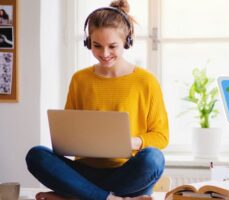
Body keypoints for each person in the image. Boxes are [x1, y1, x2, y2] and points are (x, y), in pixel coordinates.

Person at [25, 0, 169, 200]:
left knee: (154, 159)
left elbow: (161, 136)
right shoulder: (80, 79)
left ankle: (78, 195)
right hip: (84, 171)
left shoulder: (146, 81)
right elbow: (67, 133)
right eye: (97, 46)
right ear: (88, 43)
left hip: (126, 174)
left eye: (112, 46)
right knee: (36, 156)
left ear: (127, 41)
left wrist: (131, 142)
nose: (105, 53)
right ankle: (107, 198)